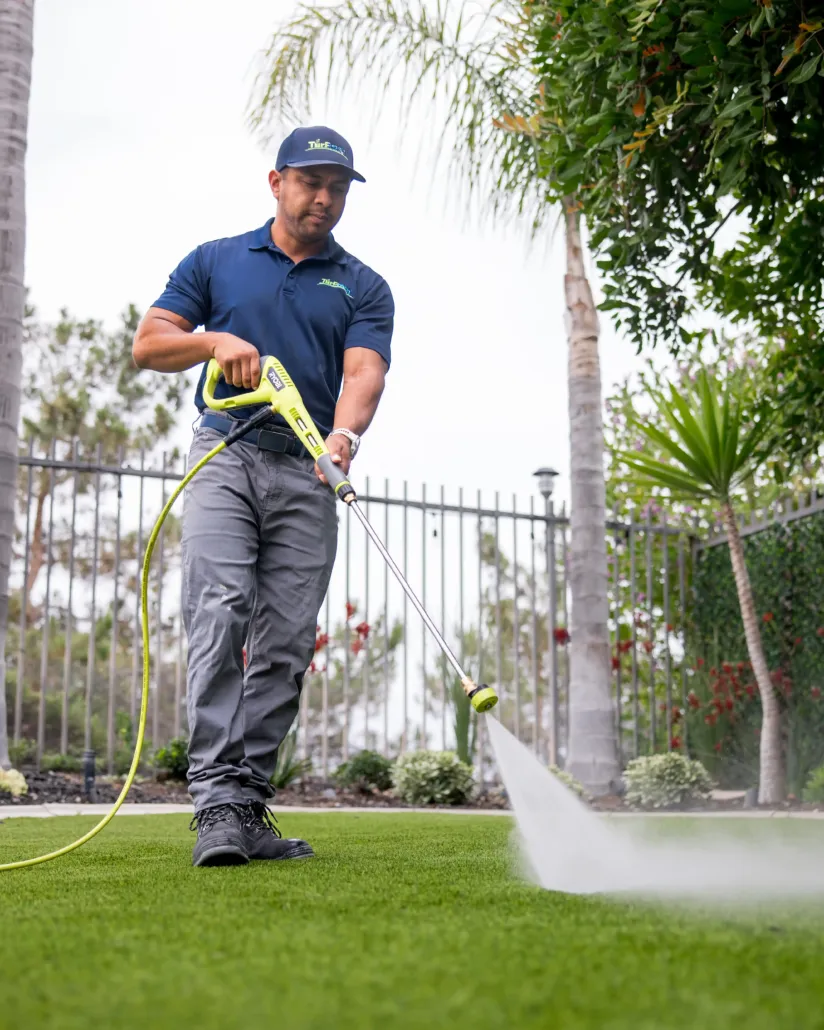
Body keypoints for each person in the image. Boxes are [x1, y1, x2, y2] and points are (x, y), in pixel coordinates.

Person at [133, 126, 394, 867]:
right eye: (311, 182)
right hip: (225, 452)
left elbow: (365, 370)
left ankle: (247, 804)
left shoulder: (363, 284)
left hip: (310, 470)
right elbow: (149, 343)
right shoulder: (217, 260)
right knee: (218, 612)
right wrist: (215, 341)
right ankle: (215, 802)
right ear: (276, 182)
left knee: (284, 642)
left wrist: (343, 438)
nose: (325, 198)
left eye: (338, 187)